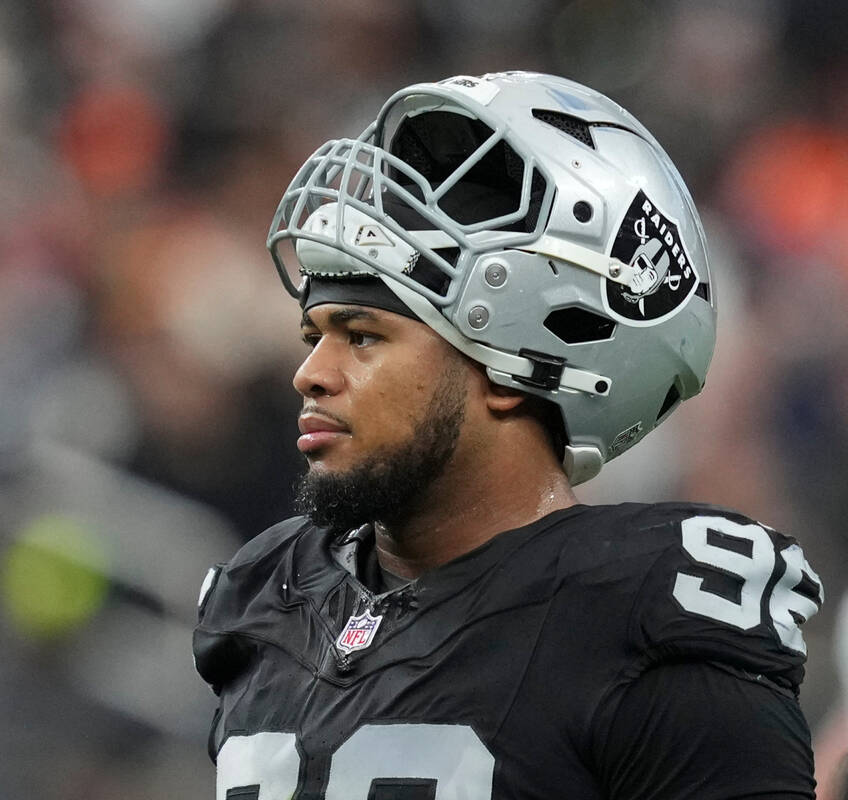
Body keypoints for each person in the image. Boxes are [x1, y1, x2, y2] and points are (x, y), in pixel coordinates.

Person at [192, 72, 825, 799]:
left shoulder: (641, 616)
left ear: (508, 370)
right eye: (314, 334)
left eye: (362, 336)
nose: (311, 373)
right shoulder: (266, 598)